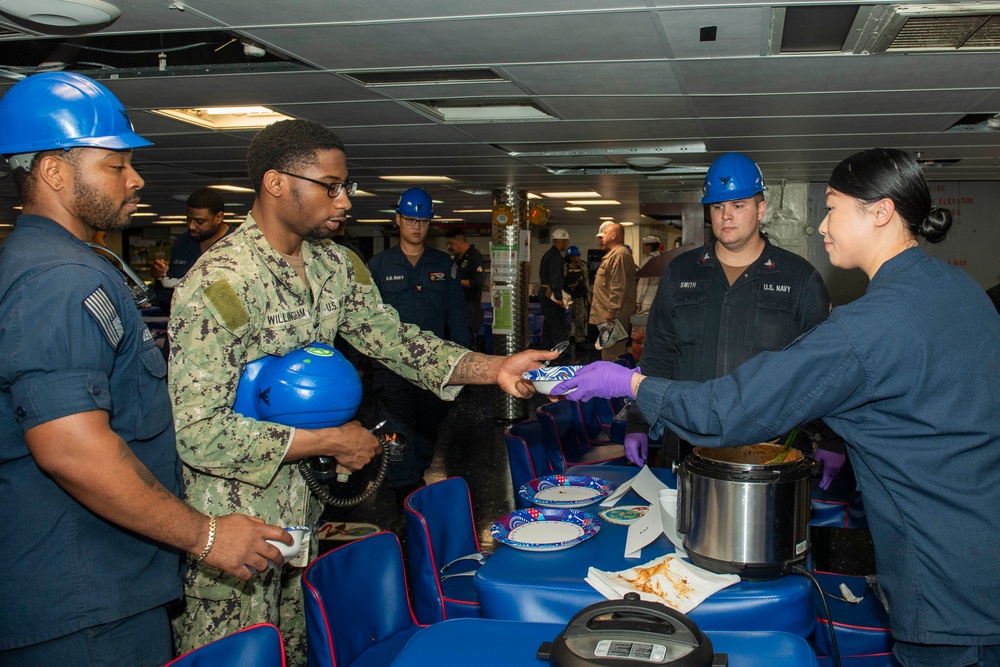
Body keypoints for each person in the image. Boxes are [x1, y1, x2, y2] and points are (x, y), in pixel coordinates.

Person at [554, 148, 1000, 667]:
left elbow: (728, 412)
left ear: (880, 212)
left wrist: (629, 384)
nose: (822, 225)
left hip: (943, 582)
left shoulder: (869, 325)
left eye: (832, 208)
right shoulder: (959, 290)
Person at [166, 118, 554, 664]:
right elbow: (199, 434)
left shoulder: (333, 265)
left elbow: (397, 342)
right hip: (233, 520)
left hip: (299, 511)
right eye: (331, 186)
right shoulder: (219, 282)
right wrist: (328, 439)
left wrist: (494, 368)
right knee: (236, 652)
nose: (345, 199)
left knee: (299, 648)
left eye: (345, 185)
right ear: (277, 184)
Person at [0, 72, 289, 667]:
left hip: (102, 584)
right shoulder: (60, 279)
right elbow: (71, 449)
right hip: (83, 602)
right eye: (116, 165)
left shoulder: (64, 262)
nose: (136, 179)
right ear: (54, 172)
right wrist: (206, 535)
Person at [627, 153, 832, 467]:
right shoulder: (681, 272)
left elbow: (823, 370)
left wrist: (832, 439)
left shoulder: (798, 278)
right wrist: (639, 422)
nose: (726, 216)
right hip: (687, 441)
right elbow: (657, 354)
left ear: (761, 209)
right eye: (718, 206)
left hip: (768, 447)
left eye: (739, 205)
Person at [368, 188, 471, 511]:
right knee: (398, 432)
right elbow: (366, 322)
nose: (416, 227)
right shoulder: (379, 266)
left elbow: (457, 315)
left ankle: (416, 478)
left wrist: (463, 366)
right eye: (410, 219)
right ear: (398, 220)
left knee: (427, 430)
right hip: (393, 369)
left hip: (433, 369)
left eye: (423, 221)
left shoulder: (443, 264)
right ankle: (406, 493)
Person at [150, 187, 234, 314]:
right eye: (188, 219)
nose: (191, 226)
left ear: (218, 217)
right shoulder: (182, 243)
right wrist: (160, 278)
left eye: (199, 221)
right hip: (188, 327)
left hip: (230, 326)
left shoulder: (239, 244)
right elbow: (168, 303)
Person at [589, 221, 637, 360]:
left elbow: (618, 284)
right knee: (609, 349)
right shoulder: (613, 254)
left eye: (605, 233)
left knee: (612, 352)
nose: (602, 237)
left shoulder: (620, 255)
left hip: (614, 315)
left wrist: (612, 310)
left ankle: (612, 381)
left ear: (613, 235)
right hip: (609, 313)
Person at [444, 227, 485, 348]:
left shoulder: (474, 256)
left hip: (470, 306)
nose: (449, 246)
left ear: (460, 242)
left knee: (468, 340)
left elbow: (477, 282)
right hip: (457, 304)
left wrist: (456, 282)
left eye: (451, 243)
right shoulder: (457, 258)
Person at [538, 227, 570, 348]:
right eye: (566, 241)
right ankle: (562, 358)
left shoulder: (549, 254)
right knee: (557, 328)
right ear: (561, 241)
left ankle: (548, 356)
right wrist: (558, 297)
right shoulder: (556, 257)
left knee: (549, 327)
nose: (567, 244)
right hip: (550, 294)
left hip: (545, 292)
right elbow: (555, 278)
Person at [563, 245, 591, 360]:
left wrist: (588, 297)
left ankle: (580, 342)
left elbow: (586, 282)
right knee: (567, 322)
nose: (579, 257)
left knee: (580, 320)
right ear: (571, 257)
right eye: (576, 255)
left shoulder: (582, 267)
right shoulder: (564, 268)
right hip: (568, 298)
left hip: (579, 298)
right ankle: (566, 343)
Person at [635, 235, 661, 313]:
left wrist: (638, 301)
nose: (642, 248)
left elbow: (643, 283)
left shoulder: (647, 261)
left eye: (643, 245)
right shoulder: (662, 259)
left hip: (647, 301)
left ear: (648, 246)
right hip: (659, 300)